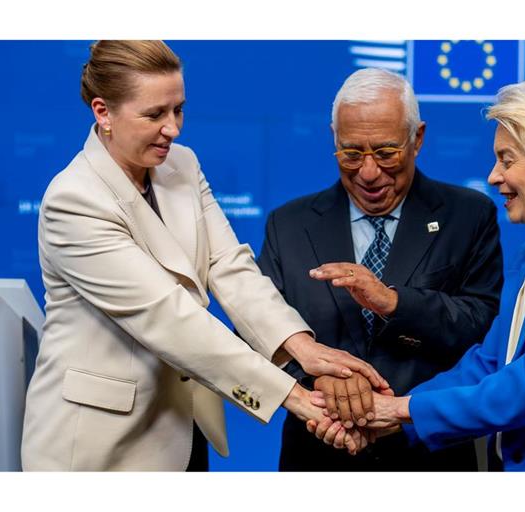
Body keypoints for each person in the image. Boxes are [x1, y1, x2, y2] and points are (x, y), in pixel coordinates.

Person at [21, 40, 386, 471]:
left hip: (181, 425)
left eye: (178, 109)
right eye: (154, 114)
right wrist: (298, 398)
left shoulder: (183, 165)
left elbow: (229, 266)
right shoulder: (74, 200)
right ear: (103, 113)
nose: (173, 129)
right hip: (97, 445)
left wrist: (302, 348)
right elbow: (170, 318)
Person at [311, 78, 525, 471]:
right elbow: (485, 365)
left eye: (507, 160)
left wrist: (396, 409)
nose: (494, 177)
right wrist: (386, 416)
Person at [258, 68, 503, 471]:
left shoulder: (468, 216)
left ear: (417, 139)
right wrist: (322, 379)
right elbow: (258, 335)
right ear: (333, 140)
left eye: (386, 153)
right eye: (351, 153)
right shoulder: (289, 225)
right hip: (318, 453)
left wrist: (393, 302)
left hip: (428, 456)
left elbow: (480, 331)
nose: (368, 172)